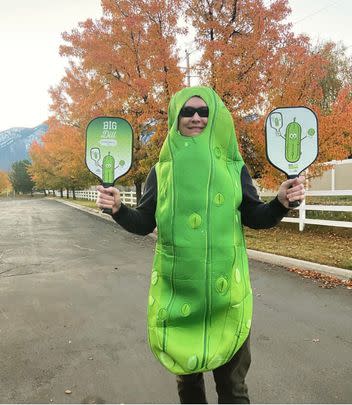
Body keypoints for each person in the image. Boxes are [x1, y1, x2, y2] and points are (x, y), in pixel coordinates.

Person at [96, 86, 305, 404]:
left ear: (216, 118)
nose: (196, 117)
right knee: (190, 388)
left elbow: (256, 217)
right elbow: (144, 223)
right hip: (180, 295)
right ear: (174, 119)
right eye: (187, 112)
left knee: (233, 389)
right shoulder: (162, 172)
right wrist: (118, 210)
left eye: (204, 112)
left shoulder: (234, 169)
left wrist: (279, 203)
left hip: (227, 299)